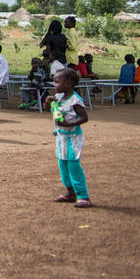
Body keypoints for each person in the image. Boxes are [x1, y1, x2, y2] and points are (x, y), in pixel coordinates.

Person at [49, 67, 91, 207]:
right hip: (61, 137)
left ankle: (83, 196)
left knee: (73, 166)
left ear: (68, 83)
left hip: (73, 138)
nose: (55, 85)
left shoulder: (75, 100)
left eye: (57, 82)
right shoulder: (59, 97)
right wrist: (48, 102)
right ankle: (70, 192)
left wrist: (68, 123)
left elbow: (84, 118)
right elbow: (51, 110)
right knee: (63, 166)